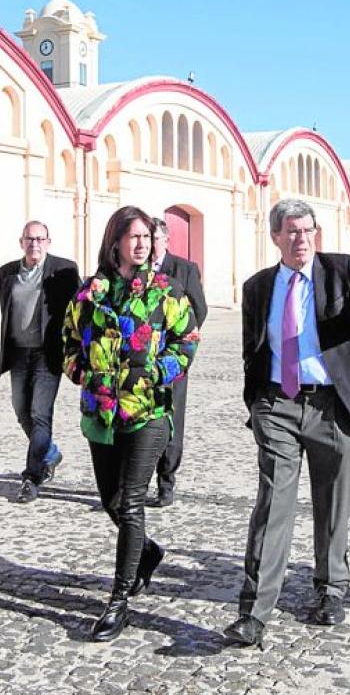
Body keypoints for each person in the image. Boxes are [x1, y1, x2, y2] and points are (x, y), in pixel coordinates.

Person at [223, 199, 350, 648]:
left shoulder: (340, 271)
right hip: (278, 404)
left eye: (308, 230)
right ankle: (254, 612)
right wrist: (256, 406)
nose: (302, 239)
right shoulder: (257, 287)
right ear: (275, 236)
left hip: (332, 405)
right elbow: (252, 351)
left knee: (332, 502)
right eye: (292, 231)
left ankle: (330, 590)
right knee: (273, 502)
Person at [62, 206, 199, 642]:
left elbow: (188, 339)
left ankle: (118, 600)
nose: (143, 244)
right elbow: (67, 337)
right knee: (112, 501)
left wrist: (159, 372)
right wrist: (79, 371)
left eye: (147, 237)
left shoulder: (165, 291)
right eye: (134, 237)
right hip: (102, 412)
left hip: (149, 412)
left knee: (134, 502)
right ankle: (149, 551)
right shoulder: (91, 292)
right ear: (115, 241)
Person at [0, 220, 81, 504]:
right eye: (29, 239)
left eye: (40, 239)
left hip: (48, 354)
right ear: (21, 242)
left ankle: (32, 477)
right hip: (19, 353)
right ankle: (51, 453)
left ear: (48, 241)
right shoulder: (6, 273)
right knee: (21, 411)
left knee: (39, 414)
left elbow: (79, 311)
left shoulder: (64, 270)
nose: (35, 244)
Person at [147, 217, 208, 508]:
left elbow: (199, 309)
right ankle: (136, 479)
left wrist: (179, 342)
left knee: (171, 419)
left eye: (154, 238)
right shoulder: (134, 269)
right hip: (138, 361)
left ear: (166, 240)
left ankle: (166, 481)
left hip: (171, 359)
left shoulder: (184, 269)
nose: (149, 244)